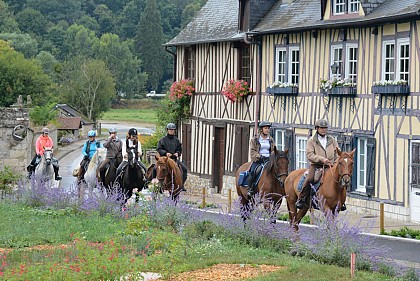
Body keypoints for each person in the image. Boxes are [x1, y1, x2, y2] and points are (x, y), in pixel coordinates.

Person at [295, 119, 345, 211]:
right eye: (321, 128)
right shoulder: (312, 141)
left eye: (325, 128)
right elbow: (310, 155)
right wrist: (322, 159)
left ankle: (341, 201)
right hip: (316, 165)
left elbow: (337, 153)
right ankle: (302, 198)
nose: (323, 130)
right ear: (317, 128)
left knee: (340, 179)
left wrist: (335, 162)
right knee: (310, 179)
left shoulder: (332, 140)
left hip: (331, 165)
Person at [247, 121, 275, 197]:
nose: (267, 130)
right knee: (252, 172)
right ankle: (250, 189)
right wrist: (259, 156)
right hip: (258, 160)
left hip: (268, 160)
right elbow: (253, 151)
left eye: (268, 128)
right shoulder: (255, 139)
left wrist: (272, 155)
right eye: (265, 128)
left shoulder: (271, 139)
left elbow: (273, 150)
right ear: (261, 129)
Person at [157, 123, 187, 191]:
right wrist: (165, 153)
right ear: (167, 130)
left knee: (184, 169)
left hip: (174, 160)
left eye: (173, 130)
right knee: (155, 169)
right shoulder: (162, 140)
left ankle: (181, 185)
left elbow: (180, 149)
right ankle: (154, 184)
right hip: (164, 160)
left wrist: (177, 153)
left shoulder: (177, 140)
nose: (171, 131)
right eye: (170, 130)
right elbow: (159, 149)